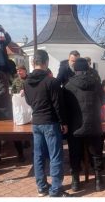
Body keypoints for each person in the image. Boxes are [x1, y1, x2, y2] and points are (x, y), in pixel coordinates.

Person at [24, 49, 68, 197]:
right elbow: (58, 105)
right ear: (46, 62)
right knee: (55, 156)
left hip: (36, 122)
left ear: (32, 62)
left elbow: (29, 101)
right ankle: (55, 189)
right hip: (50, 122)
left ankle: (41, 187)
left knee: (38, 155)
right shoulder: (52, 82)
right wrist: (63, 122)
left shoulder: (26, 82)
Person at [63, 58, 105, 192]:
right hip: (94, 125)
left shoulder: (68, 85)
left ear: (75, 70)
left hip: (75, 127)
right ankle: (99, 181)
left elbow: (64, 106)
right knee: (96, 153)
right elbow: (104, 99)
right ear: (87, 69)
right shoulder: (96, 83)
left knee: (74, 153)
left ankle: (75, 182)